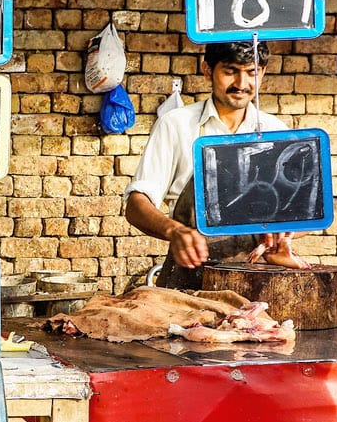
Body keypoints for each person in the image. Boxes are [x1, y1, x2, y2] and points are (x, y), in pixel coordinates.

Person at [123, 41, 300, 289]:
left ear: (262, 73)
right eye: (230, 71)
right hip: (189, 283)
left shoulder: (275, 131)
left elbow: (300, 213)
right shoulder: (176, 124)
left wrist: (284, 233)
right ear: (207, 70)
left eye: (252, 72)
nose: (241, 83)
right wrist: (174, 231)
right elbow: (136, 204)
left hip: (259, 280)